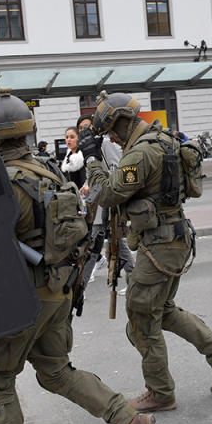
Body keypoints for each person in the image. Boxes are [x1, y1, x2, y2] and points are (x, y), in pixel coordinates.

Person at [0, 88, 155, 424]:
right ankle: (130, 420)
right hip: (57, 293)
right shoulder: (46, 170)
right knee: (55, 371)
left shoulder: (1, 182)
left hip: (23, 297)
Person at [82, 92, 212, 413]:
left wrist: (92, 160)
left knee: (141, 320)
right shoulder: (163, 139)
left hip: (160, 244)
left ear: (125, 121)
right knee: (163, 310)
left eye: (113, 130)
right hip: (173, 239)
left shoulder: (141, 153)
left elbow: (110, 193)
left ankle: (160, 391)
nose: (112, 137)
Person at [77, 113, 135, 293]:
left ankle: (80, 287)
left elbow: (113, 171)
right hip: (97, 203)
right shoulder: (89, 146)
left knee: (94, 245)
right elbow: (92, 175)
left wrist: (95, 193)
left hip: (106, 203)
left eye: (87, 127)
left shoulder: (106, 144)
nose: (84, 132)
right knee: (110, 242)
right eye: (80, 129)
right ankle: (133, 279)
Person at [60, 127, 87, 192]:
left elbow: (84, 177)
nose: (69, 140)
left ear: (79, 138)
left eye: (72, 137)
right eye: (67, 137)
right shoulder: (68, 156)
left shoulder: (82, 155)